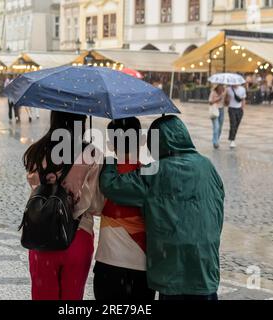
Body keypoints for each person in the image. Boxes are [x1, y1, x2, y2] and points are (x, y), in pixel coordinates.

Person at [100, 115, 225, 301]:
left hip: (171, 268)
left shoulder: (155, 171)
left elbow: (112, 186)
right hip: (204, 264)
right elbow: (218, 206)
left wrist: (110, 161)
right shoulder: (207, 167)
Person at [25, 111, 104, 300]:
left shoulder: (37, 151)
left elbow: (36, 189)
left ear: (54, 119)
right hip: (78, 236)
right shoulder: (92, 154)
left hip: (42, 237)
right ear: (82, 122)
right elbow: (96, 206)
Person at [94, 117, 155, 301]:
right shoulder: (150, 174)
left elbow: (94, 207)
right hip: (142, 265)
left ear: (110, 144)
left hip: (108, 261)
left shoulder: (102, 173)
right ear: (143, 141)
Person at [227, 84, 247, 149]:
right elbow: (226, 100)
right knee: (233, 124)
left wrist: (242, 108)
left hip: (239, 109)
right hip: (231, 108)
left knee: (237, 125)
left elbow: (243, 99)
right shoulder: (229, 89)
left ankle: (232, 137)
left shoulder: (242, 89)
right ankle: (232, 140)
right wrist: (227, 98)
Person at [209, 85, 226, 149]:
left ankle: (216, 140)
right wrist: (219, 98)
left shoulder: (224, 93)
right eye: (220, 87)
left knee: (220, 128)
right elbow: (210, 102)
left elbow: (226, 103)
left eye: (222, 87)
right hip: (215, 110)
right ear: (217, 87)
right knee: (216, 127)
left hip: (221, 110)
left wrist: (226, 97)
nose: (221, 88)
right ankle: (215, 142)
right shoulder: (213, 92)